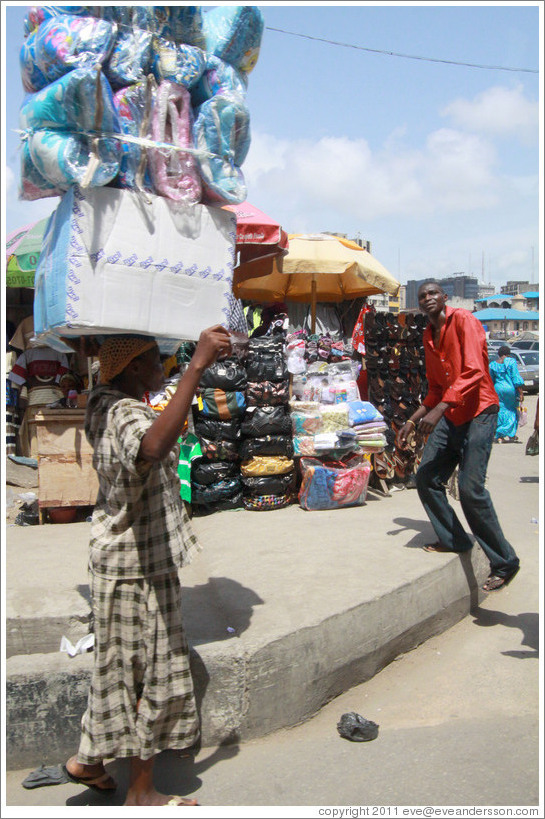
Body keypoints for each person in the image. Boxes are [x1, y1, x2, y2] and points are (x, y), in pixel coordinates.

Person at [63, 325, 232, 806]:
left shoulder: (100, 403)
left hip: (117, 559)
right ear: (133, 369)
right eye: (156, 362)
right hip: (137, 567)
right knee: (152, 675)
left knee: (116, 668)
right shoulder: (126, 413)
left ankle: (89, 762)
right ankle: (141, 793)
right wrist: (196, 365)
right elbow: (152, 448)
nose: (164, 368)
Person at [396, 282, 520, 593]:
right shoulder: (428, 335)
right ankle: (455, 540)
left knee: (470, 489)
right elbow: (436, 387)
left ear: (444, 297)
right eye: (422, 296)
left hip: (480, 411)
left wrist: (437, 411)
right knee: (426, 478)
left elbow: (475, 370)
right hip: (451, 414)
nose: (427, 299)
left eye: (432, 293)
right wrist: (412, 420)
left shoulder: (464, 320)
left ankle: (505, 562)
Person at [488, 345, 525, 443]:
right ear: (508, 354)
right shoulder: (511, 362)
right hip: (510, 390)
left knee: (500, 410)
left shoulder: (492, 364)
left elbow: (491, 380)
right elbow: (515, 378)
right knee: (512, 411)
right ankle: (510, 434)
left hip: (498, 389)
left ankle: (499, 436)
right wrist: (521, 392)